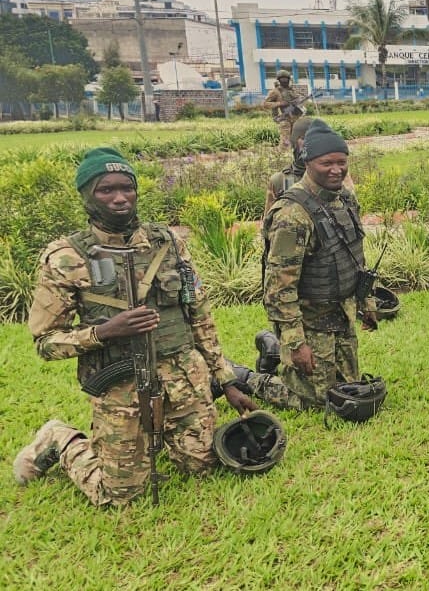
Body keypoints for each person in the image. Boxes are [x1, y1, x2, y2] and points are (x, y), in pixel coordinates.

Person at [14, 147, 257, 506]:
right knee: (119, 496)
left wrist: (226, 380)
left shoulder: (168, 243)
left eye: (126, 188)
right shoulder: (66, 258)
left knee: (202, 466)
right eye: (106, 190)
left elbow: (200, 316)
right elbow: (46, 342)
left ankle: (167, 436)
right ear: (87, 195)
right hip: (120, 384)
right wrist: (104, 332)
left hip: (183, 378)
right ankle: (59, 439)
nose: (119, 198)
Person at [250, 122, 376, 410]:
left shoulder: (345, 199)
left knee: (349, 388)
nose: (336, 170)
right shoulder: (292, 214)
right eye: (326, 163)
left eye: (341, 162)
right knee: (319, 401)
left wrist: (366, 301)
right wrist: (296, 342)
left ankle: (274, 349)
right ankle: (247, 378)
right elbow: (278, 289)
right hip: (309, 319)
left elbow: (355, 256)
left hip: (340, 314)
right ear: (307, 163)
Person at [264, 69, 304, 151]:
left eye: (286, 79)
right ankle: (284, 156)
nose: (285, 81)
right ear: (279, 80)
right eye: (282, 79)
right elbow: (265, 104)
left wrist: (298, 102)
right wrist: (280, 103)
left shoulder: (292, 90)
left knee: (297, 140)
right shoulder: (275, 92)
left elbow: (298, 100)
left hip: (295, 117)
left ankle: (296, 155)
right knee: (285, 142)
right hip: (284, 118)